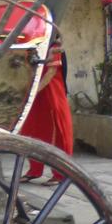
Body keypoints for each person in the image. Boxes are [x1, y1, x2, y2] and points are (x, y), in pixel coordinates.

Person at [19, 45, 73, 184]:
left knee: (57, 133)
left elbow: (51, 73)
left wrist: (33, 91)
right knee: (33, 131)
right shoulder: (34, 46)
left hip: (52, 94)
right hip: (36, 96)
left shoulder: (55, 47)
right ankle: (34, 170)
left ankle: (61, 173)